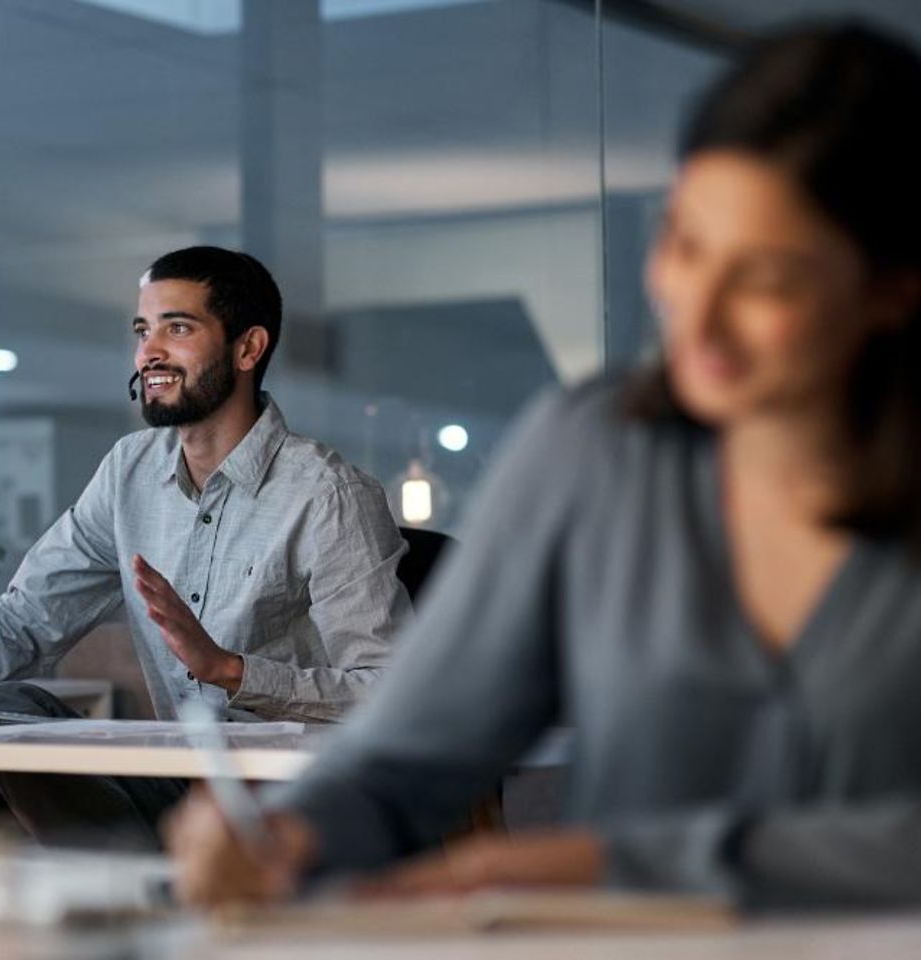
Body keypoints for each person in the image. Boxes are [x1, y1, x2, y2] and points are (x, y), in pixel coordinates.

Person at [167, 22, 921, 911]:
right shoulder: (593, 454)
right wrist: (293, 834)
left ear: (891, 288)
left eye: (768, 281)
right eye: (684, 245)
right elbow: (412, 754)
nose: (697, 318)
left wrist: (606, 866)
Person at [0, 246, 411, 847]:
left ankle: (148, 883)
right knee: (10, 707)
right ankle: (146, 882)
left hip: (292, 800)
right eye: (142, 330)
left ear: (247, 348)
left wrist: (232, 672)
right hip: (177, 779)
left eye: (177, 328)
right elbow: (28, 622)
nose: (148, 352)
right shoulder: (127, 471)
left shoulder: (328, 495)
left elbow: (389, 694)